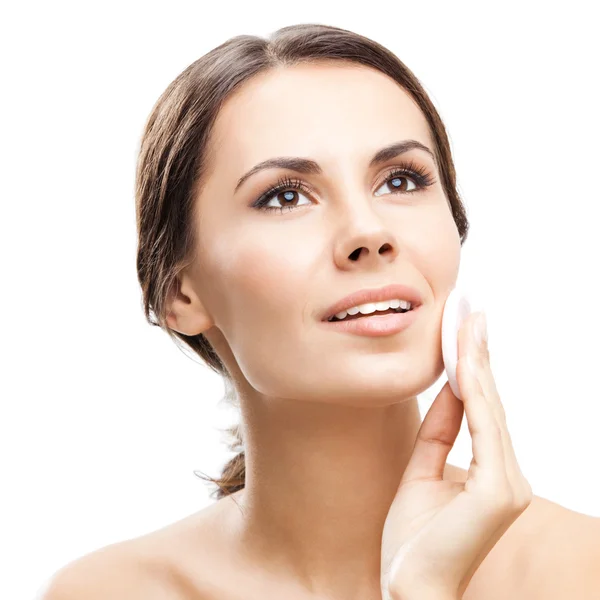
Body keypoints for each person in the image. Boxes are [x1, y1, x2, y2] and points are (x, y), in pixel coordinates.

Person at [41, 23, 599, 600]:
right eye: (284, 196)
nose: (369, 231)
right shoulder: (105, 592)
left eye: (401, 180)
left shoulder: (583, 574)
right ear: (181, 294)